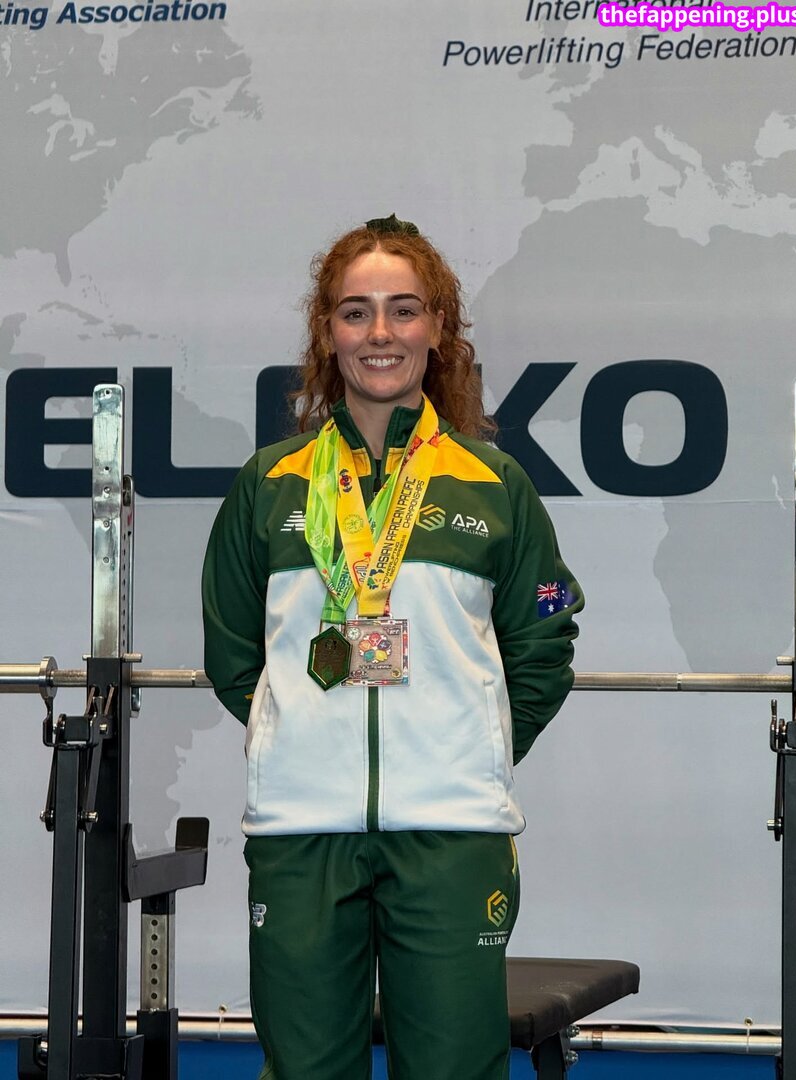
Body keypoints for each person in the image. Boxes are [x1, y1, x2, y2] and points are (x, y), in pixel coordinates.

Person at [202, 215, 583, 1080]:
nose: (381, 332)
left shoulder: (496, 486)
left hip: (451, 832)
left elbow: (544, 644)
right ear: (327, 332)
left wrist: (472, 747)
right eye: (356, 311)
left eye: (404, 310)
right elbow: (233, 656)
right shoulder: (268, 485)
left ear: (437, 328)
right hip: (301, 831)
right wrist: (298, 739)